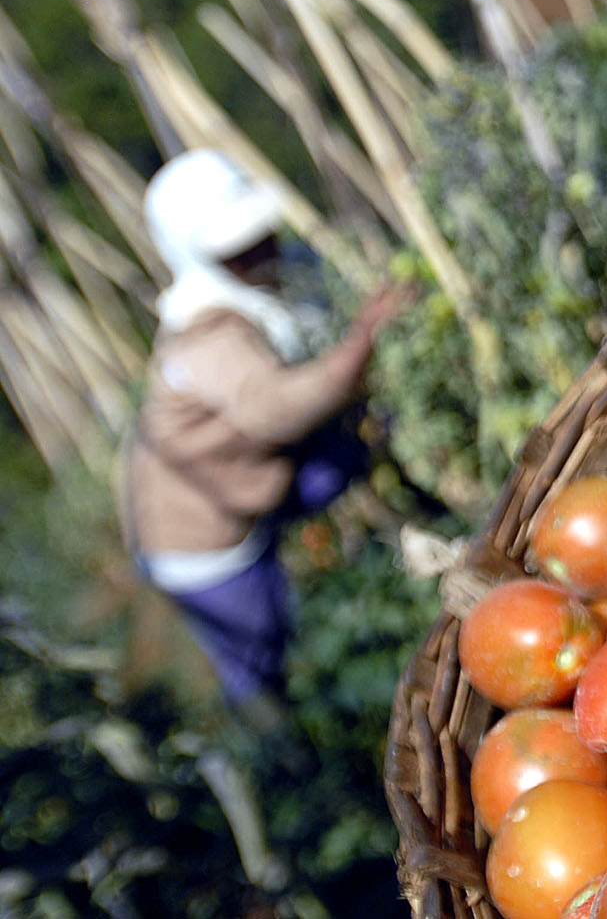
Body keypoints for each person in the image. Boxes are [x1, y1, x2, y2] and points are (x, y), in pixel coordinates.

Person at [119, 148, 407, 732]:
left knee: (343, 452)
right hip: (201, 548)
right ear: (198, 257)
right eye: (237, 246)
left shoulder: (229, 306)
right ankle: (283, 748)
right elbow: (278, 410)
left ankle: (273, 728)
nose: (261, 251)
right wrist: (363, 341)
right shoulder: (207, 340)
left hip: (204, 510)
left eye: (259, 234)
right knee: (258, 650)